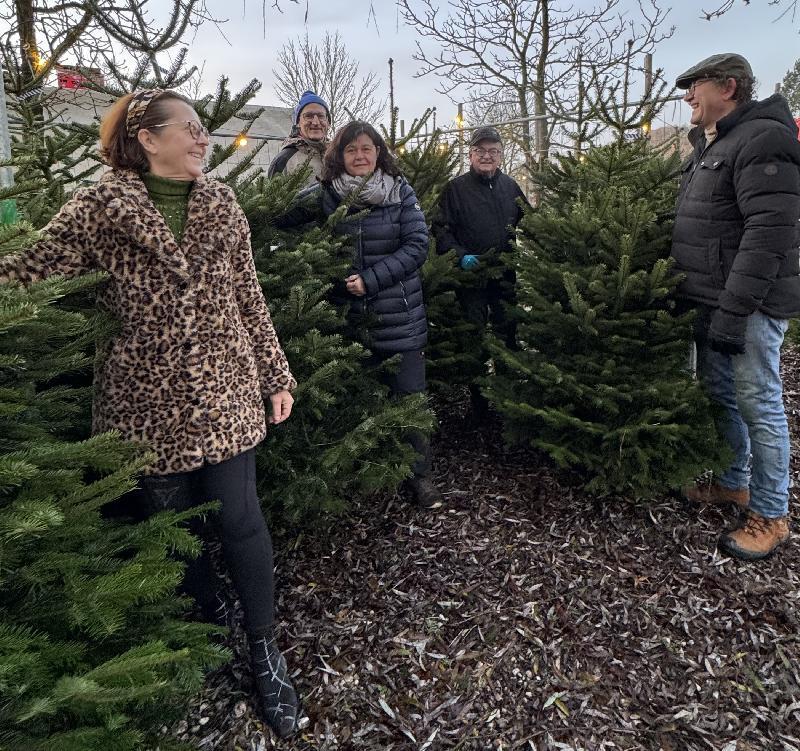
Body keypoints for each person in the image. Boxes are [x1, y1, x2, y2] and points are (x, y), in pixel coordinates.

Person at [0, 89, 304, 737]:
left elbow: (249, 296)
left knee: (241, 519)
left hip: (226, 389)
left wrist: (275, 372)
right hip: (144, 406)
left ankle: (264, 650)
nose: (203, 140)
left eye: (203, 131)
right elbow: (34, 268)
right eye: (190, 129)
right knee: (176, 529)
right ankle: (209, 623)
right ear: (148, 138)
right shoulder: (99, 208)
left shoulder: (222, 202)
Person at [671, 54, 800, 560]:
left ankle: (771, 514)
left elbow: (769, 235)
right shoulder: (716, 144)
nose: (686, 96)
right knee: (722, 396)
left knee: (759, 403)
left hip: (747, 305)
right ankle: (733, 482)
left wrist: (734, 310)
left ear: (728, 88)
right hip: (713, 300)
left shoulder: (764, 139)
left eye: (693, 86)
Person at [275, 120, 442, 509]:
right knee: (356, 399)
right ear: (340, 156)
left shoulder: (400, 192)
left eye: (367, 148)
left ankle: (421, 477)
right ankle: (365, 474)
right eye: (352, 150)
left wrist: (370, 280)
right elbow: (279, 213)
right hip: (346, 322)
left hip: (400, 317)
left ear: (378, 153)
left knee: (409, 400)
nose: (360, 156)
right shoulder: (325, 194)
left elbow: (418, 246)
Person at [433, 126, 527, 418]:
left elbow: (531, 223)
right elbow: (440, 229)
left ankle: (509, 395)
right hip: (471, 278)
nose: (487, 156)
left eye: (493, 151)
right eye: (481, 151)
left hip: (504, 274)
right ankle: (479, 403)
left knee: (507, 331)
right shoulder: (455, 189)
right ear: (471, 154)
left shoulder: (510, 187)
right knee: (474, 335)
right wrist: (461, 257)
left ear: (500, 155)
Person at [268, 90, 330, 187]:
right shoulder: (284, 159)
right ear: (298, 123)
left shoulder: (338, 155)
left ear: (328, 123)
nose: (316, 122)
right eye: (308, 116)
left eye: (321, 116)